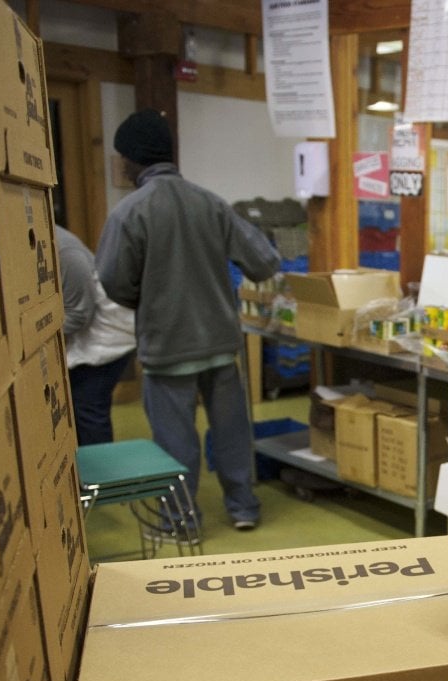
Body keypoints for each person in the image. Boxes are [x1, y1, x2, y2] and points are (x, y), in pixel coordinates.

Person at [96, 108, 281, 534]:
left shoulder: (130, 212)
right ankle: (243, 507)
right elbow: (264, 261)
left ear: (131, 159)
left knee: (175, 438)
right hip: (219, 342)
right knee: (231, 430)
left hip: (168, 346)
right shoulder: (211, 203)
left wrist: (149, 300)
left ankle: (179, 519)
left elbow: (112, 280)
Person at [56, 224, 136, 445]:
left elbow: (79, 313)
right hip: (96, 337)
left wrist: (31, 338)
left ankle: (99, 466)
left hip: (108, 339)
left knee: (87, 405)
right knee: (83, 405)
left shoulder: (64, 251)